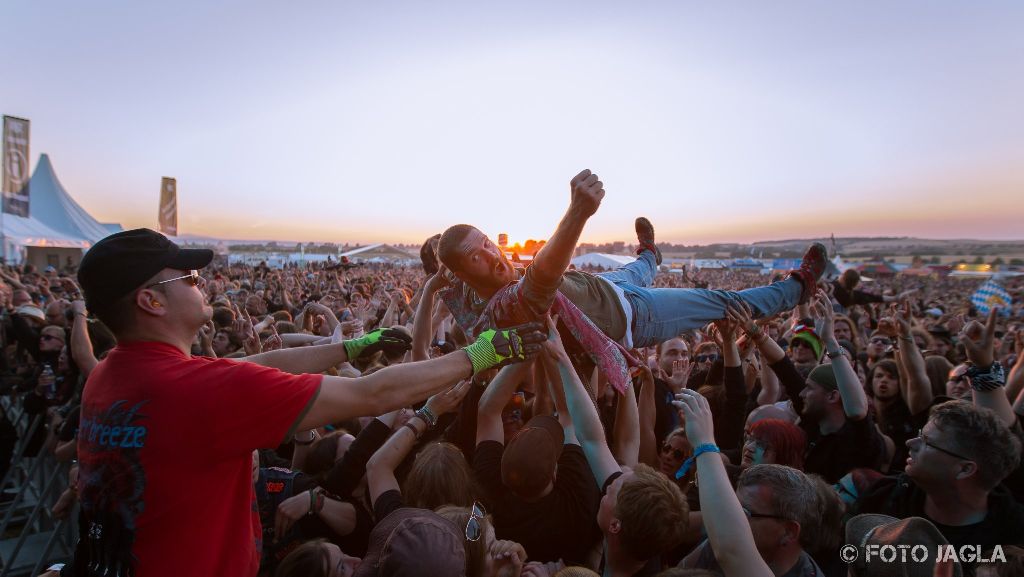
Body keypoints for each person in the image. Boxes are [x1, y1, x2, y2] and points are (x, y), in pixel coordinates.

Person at [64, 228, 545, 577]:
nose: (201, 281)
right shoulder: (196, 391)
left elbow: (266, 360)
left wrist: (351, 347)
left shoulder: (108, 375)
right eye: (189, 276)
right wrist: (485, 352)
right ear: (151, 301)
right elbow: (371, 393)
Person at [435, 169, 829, 394]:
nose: (493, 255)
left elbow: (444, 280)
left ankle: (650, 254)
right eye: (477, 257)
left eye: (488, 243)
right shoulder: (497, 313)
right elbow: (540, 278)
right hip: (633, 318)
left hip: (604, 288)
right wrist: (577, 213)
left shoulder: (464, 290)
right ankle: (797, 288)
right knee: (722, 299)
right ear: (466, 272)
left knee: (638, 269)